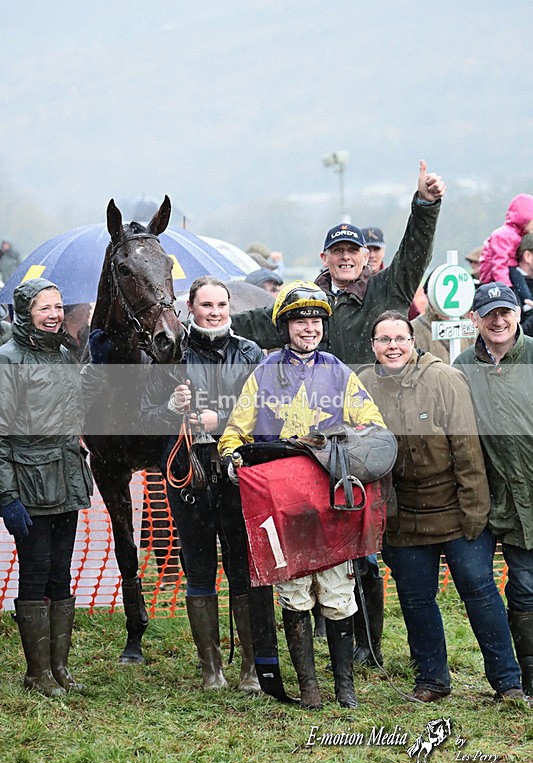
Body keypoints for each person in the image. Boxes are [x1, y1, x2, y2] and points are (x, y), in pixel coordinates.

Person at [218, 280, 386, 709]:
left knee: (336, 590)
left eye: (314, 320)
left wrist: (344, 445)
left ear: (323, 325)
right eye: (299, 320)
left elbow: (371, 424)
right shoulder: (263, 372)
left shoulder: (339, 371)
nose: (308, 328)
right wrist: (233, 457)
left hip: (328, 495)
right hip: (282, 498)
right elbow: (235, 431)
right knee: (294, 592)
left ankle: (344, 686)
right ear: (285, 325)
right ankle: (309, 687)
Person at [358, 309, 526, 703]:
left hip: (455, 508)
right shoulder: (363, 383)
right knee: (416, 599)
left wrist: (474, 518)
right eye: (384, 340)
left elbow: (468, 453)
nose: (393, 346)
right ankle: (432, 680)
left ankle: (508, 682)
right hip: (402, 516)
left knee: (480, 591)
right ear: (373, 346)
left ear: (412, 341)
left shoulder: (445, 379)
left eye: (399, 338)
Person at [141, 276, 264, 692]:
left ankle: (250, 667)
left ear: (230, 308)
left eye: (221, 305)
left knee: (242, 565)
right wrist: (169, 407)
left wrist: (220, 420)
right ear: (189, 308)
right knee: (198, 564)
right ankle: (211, 670)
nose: (214, 312)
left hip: (236, 469)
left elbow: (265, 412)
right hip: (187, 471)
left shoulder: (250, 352)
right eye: (206, 305)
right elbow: (143, 417)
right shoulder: (169, 355)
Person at [231, 160, 446, 366]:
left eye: (353, 250)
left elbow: (415, 250)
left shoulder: (388, 288)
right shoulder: (304, 300)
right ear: (324, 258)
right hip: (322, 400)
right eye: (338, 250)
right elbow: (256, 324)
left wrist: (425, 205)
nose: (345, 256)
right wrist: (213, 323)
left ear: (365, 256)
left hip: (377, 398)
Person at [0, 278, 93, 697]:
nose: (55, 315)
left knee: (61, 573)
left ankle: (59, 668)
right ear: (25, 312)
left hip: (67, 479)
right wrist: (6, 496)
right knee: (34, 573)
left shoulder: (64, 355)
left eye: (58, 307)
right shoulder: (9, 360)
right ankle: (36, 673)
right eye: (45, 308)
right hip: (29, 485)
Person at [454, 282, 533, 697]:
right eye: (489, 314)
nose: (498, 321)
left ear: (517, 314)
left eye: (505, 312)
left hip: (531, 495)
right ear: (475, 319)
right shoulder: (463, 366)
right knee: (504, 583)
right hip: (488, 496)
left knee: (526, 584)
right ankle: (515, 679)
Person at [479, 194, 533, 311]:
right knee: (514, 295)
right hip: (495, 275)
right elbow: (499, 264)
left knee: (521, 285)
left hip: (511, 269)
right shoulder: (504, 234)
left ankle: (527, 303)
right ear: (524, 218)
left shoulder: (518, 234)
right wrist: (506, 288)